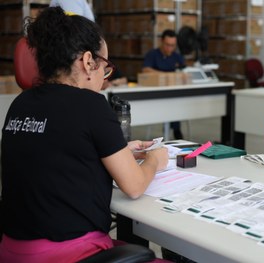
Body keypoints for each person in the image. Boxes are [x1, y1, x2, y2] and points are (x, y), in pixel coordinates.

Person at [0, 7, 168, 262]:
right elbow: (134, 187)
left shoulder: (20, 103)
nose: (104, 78)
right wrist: (155, 160)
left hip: (13, 250)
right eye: (105, 67)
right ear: (89, 61)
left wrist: (120, 149)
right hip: (69, 253)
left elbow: (56, 150)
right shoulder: (90, 104)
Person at [142, 29, 186, 140]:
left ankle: (176, 129)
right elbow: (146, 70)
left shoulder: (177, 56)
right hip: (156, 94)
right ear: (161, 41)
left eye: (173, 45)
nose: (170, 48)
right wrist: (165, 75)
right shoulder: (153, 54)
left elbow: (184, 71)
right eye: (167, 45)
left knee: (176, 102)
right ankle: (173, 130)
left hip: (174, 92)